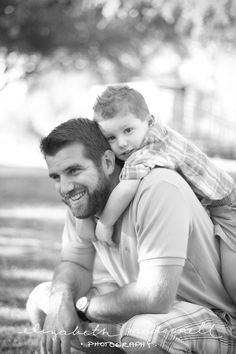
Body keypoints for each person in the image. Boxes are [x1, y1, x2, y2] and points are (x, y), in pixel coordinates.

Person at [26, 118, 236, 354]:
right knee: (43, 301)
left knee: (145, 333)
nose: (65, 188)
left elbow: (154, 296)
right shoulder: (81, 202)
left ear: (106, 162)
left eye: (73, 171)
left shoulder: (158, 189)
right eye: (56, 177)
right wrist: (61, 301)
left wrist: (81, 307)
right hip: (155, 314)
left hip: (216, 320)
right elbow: (74, 264)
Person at [92, 86, 236, 256]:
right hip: (212, 201)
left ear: (149, 121)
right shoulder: (152, 133)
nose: (122, 143)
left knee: (232, 279)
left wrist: (105, 223)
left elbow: (127, 188)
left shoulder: (150, 148)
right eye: (111, 137)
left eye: (128, 130)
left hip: (225, 206)